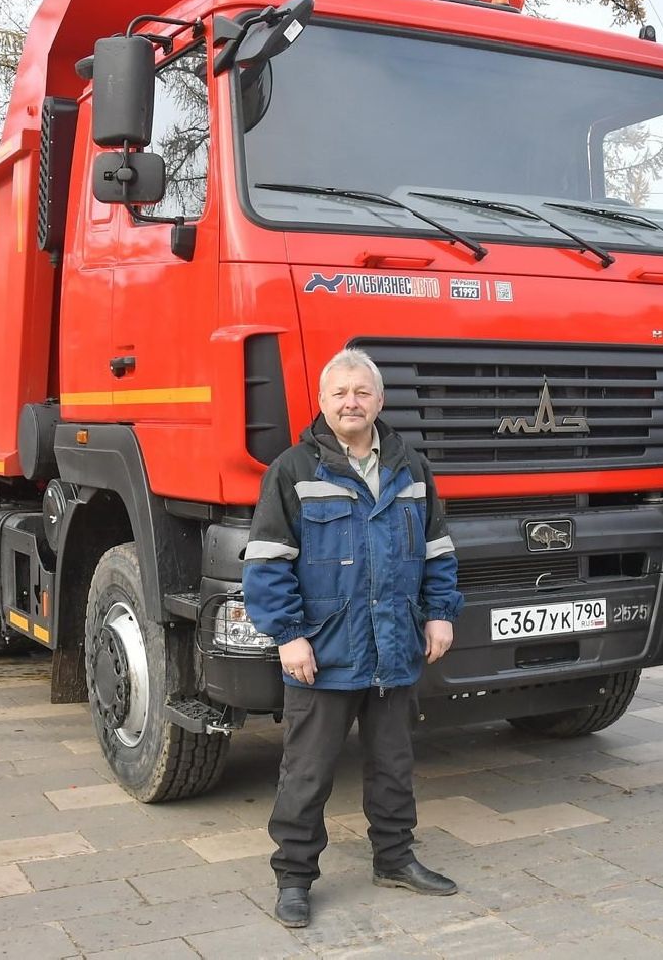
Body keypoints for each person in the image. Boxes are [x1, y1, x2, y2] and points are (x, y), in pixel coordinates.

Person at [243, 348, 464, 929]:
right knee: (308, 771)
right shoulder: (293, 469)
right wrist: (288, 635)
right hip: (325, 649)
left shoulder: (410, 467)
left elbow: (437, 549)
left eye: (361, 392)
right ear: (322, 401)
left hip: (394, 647)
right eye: (339, 393)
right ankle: (294, 877)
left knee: (393, 764)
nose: (351, 402)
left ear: (379, 401)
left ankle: (393, 859)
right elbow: (266, 563)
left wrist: (440, 614)